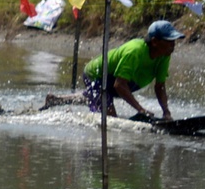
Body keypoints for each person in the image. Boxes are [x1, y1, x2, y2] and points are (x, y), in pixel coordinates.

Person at [42, 20, 185, 120]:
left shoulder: (164, 55)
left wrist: (166, 112)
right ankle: (84, 107)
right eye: (170, 41)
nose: (173, 45)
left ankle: (56, 100)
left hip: (117, 80)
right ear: (155, 42)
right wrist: (140, 109)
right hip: (97, 75)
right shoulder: (134, 52)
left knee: (101, 97)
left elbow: (160, 87)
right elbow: (119, 85)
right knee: (110, 121)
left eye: (174, 41)